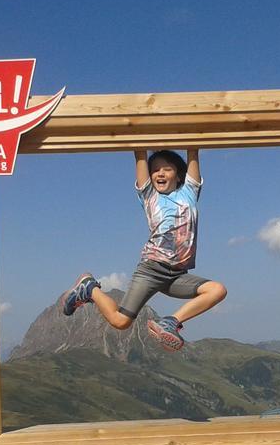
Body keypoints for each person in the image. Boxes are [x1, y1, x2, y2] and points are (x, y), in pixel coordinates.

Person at [60, 148, 226, 351]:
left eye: (167, 169)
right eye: (155, 170)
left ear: (179, 174)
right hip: (151, 269)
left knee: (217, 290)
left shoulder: (189, 192)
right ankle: (89, 288)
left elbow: (193, 150)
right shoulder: (149, 195)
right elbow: (140, 153)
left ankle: (171, 322)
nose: (160, 173)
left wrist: (192, 137)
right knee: (121, 322)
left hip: (177, 275)